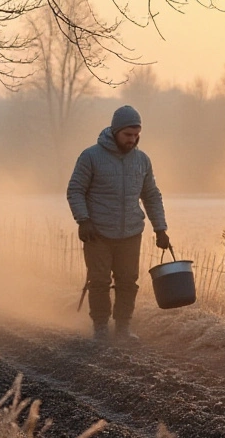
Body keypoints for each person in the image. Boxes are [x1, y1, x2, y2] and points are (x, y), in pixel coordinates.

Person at [67, 105, 169, 343]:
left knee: (128, 281)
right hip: (98, 233)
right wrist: (83, 220)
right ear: (115, 131)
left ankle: (123, 327)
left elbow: (151, 195)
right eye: (128, 135)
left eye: (136, 135)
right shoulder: (90, 156)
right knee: (99, 281)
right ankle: (101, 327)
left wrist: (160, 228)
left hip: (131, 232)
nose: (132, 140)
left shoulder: (142, 160)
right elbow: (75, 190)